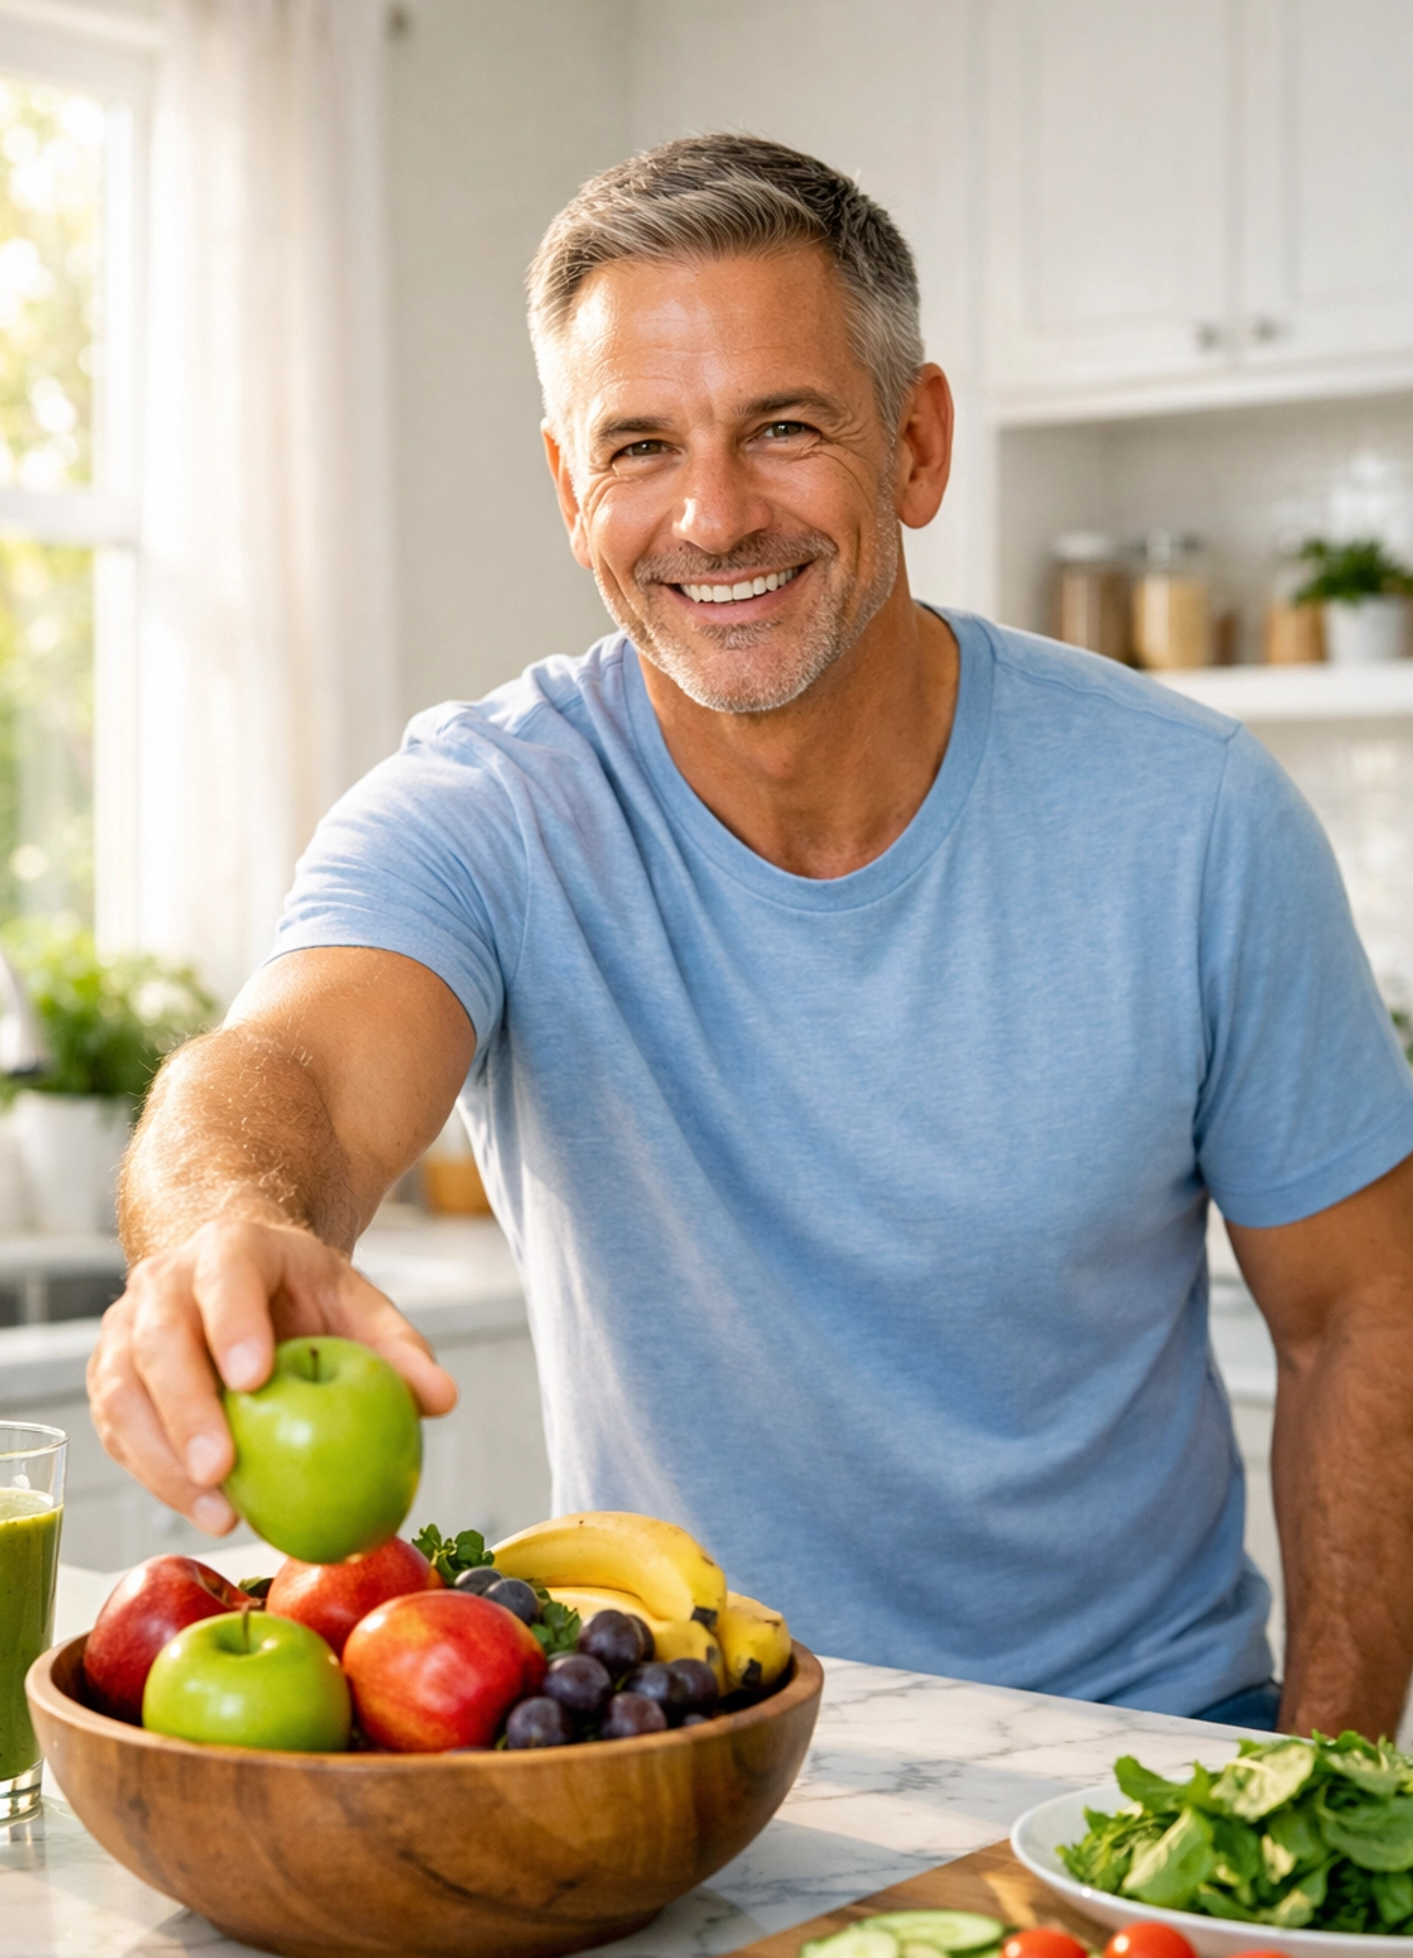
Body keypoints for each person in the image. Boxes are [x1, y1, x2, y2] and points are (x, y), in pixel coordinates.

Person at [91, 134, 1413, 1738]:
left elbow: (1362, 1317)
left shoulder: (1194, 815)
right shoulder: (487, 809)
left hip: (1137, 1758)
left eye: (783, 427)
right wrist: (224, 1223)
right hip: (676, 1754)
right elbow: (288, 1065)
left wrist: (1322, 1786)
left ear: (915, 444)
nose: (713, 517)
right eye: (640, 446)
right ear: (571, 490)